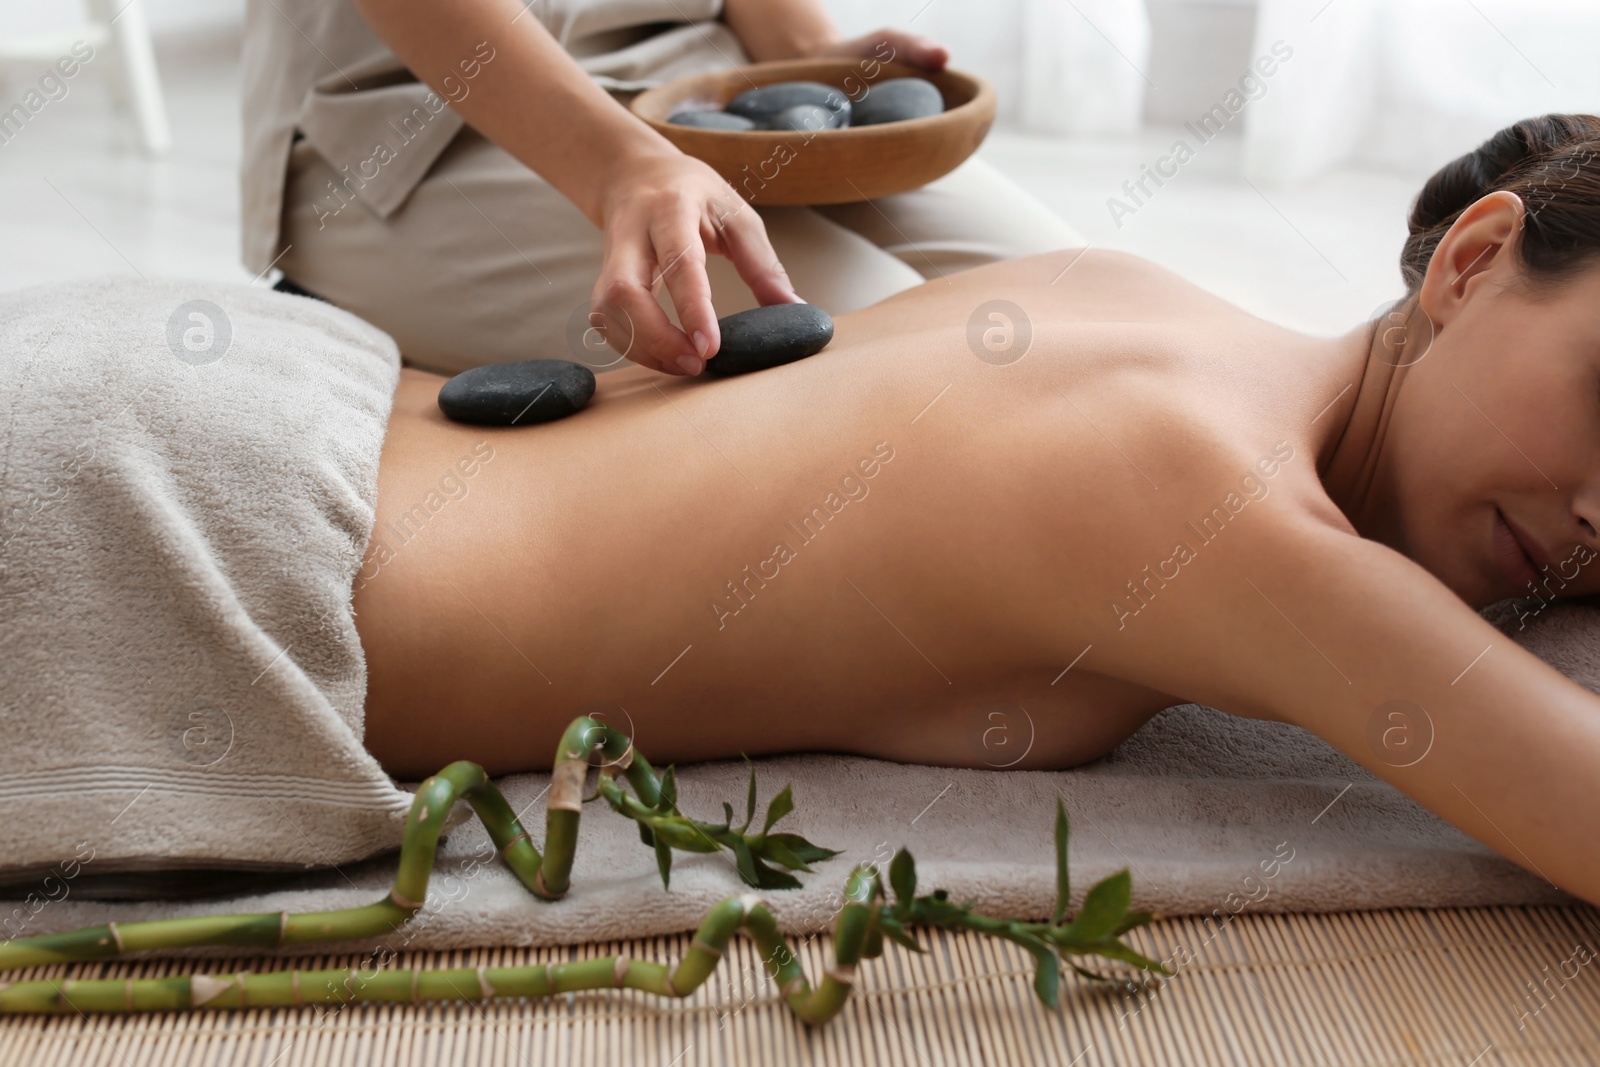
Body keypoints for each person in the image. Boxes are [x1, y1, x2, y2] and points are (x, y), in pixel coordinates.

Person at [349, 114, 1600, 909]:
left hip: (331, 399)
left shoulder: (1138, 294)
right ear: (1473, 259)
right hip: (241, 562)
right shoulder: (1224, 509)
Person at [240, 0, 1082, 376]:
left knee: (1080, 302)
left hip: (687, 77)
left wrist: (804, 58)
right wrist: (617, 169)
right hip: (414, 120)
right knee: (894, 354)